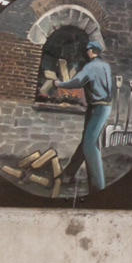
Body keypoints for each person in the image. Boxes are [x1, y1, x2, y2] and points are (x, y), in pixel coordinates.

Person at [55, 37, 115, 193]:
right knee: (86, 141)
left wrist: (59, 84)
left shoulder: (91, 66)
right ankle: (68, 175)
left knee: (90, 144)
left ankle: (97, 187)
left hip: (98, 108)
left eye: (87, 50)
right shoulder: (106, 66)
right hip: (103, 106)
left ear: (90, 51)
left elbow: (77, 81)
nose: (86, 52)